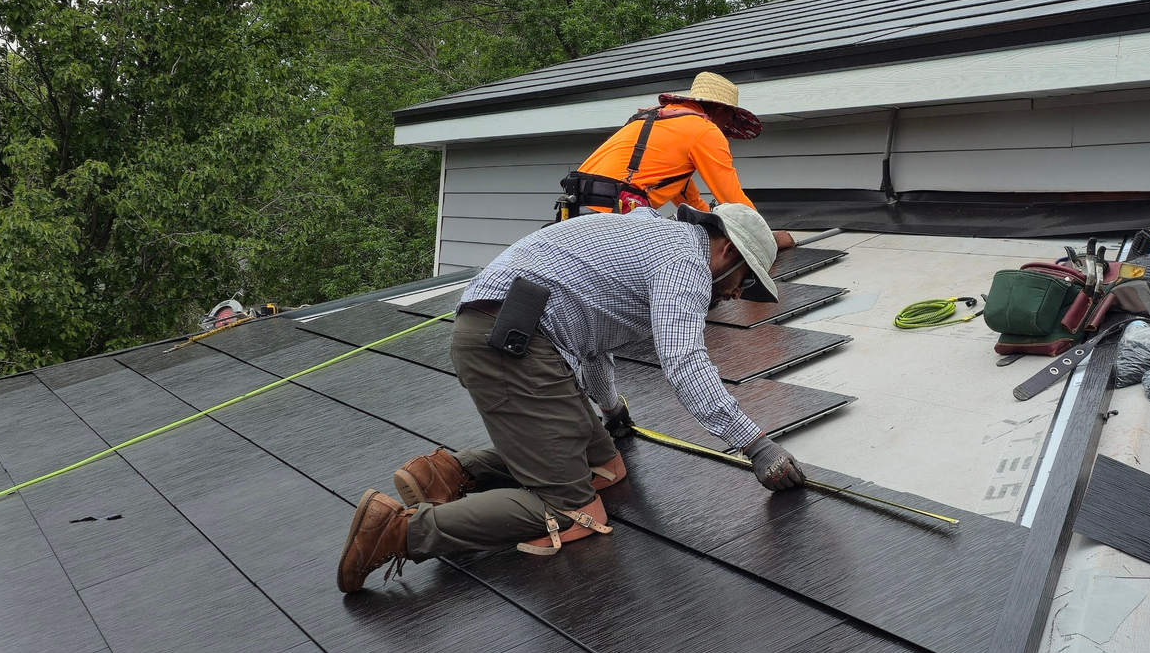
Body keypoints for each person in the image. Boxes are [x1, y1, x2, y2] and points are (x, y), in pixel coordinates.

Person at [335, 202, 807, 593]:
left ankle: (450, 472)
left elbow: (594, 339)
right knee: (573, 511)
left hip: (518, 335)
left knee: (606, 467)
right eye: (743, 282)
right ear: (725, 249)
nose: (735, 296)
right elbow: (684, 363)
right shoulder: (686, 264)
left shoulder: (655, 239)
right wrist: (755, 445)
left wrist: (610, 408)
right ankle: (397, 531)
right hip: (510, 348)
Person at [558, 70, 797, 251]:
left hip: (576, 212)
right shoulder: (704, 130)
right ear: (718, 109)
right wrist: (766, 238)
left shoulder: (661, 122)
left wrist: (712, 223)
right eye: (730, 117)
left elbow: (686, 197)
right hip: (614, 219)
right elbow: (732, 199)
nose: (727, 127)